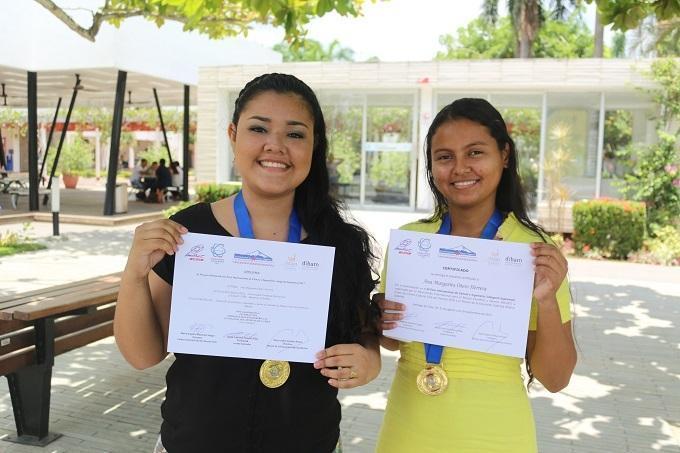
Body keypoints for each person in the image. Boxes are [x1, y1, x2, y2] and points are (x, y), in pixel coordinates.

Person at [114, 73, 381, 453]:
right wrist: (134, 273)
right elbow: (142, 355)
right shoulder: (189, 234)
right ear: (233, 134)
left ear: (314, 145)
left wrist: (369, 360)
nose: (275, 146)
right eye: (259, 128)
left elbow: (363, 333)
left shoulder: (342, 243)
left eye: (294, 133)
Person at [374, 98, 577, 453]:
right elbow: (394, 341)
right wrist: (376, 318)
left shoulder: (532, 251)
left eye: (475, 153)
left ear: (505, 155)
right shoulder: (411, 242)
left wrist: (546, 301)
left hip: (494, 433)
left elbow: (556, 378)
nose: (460, 168)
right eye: (445, 157)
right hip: (408, 426)